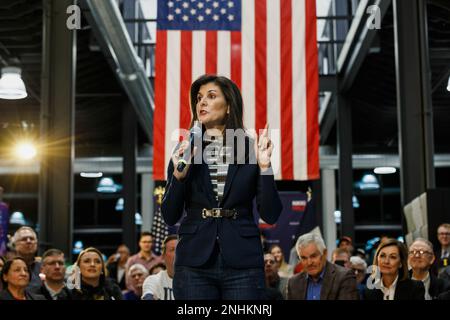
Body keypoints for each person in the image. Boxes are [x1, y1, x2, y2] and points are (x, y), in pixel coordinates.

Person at [161, 74, 283, 300]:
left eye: (211, 96)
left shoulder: (250, 149)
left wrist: (265, 167)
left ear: (228, 106)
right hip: (194, 263)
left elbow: (271, 214)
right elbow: (169, 215)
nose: (202, 103)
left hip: (243, 263)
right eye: (198, 98)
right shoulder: (184, 150)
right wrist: (178, 177)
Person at [286, 233, 359, 300]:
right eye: (303, 258)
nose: (309, 262)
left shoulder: (345, 277)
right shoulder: (293, 283)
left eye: (313, 256)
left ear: (324, 254)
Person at [142, 235, 177, 300]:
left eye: (180, 249)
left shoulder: (195, 280)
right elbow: (148, 296)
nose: (178, 253)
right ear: (163, 256)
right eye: (173, 249)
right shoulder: (153, 280)